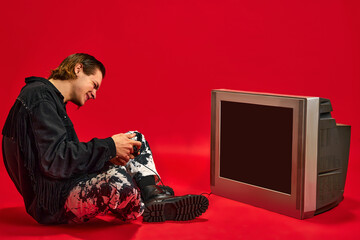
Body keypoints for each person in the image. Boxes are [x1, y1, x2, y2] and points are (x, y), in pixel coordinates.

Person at [2, 53, 208, 224]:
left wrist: (107, 156)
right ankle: (145, 203)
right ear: (78, 69)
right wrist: (108, 147)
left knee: (134, 139)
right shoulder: (39, 96)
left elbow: (62, 158)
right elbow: (56, 161)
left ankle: (151, 195)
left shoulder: (50, 101)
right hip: (54, 203)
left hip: (66, 183)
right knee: (118, 181)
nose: (94, 94)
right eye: (94, 84)